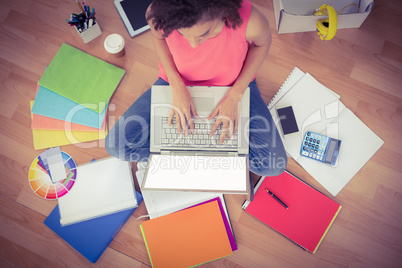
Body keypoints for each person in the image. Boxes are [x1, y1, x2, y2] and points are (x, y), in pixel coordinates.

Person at [106, 0, 287, 176]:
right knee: (116, 146)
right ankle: (197, 156)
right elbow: (158, 37)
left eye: (204, 33)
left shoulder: (251, 21)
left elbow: (262, 44)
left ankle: (200, 155)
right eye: (183, 34)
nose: (193, 44)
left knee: (273, 165)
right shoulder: (159, 12)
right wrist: (176, 84)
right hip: (175, 82)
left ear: (222, 11)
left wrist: (236, 94)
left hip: (235, 85)